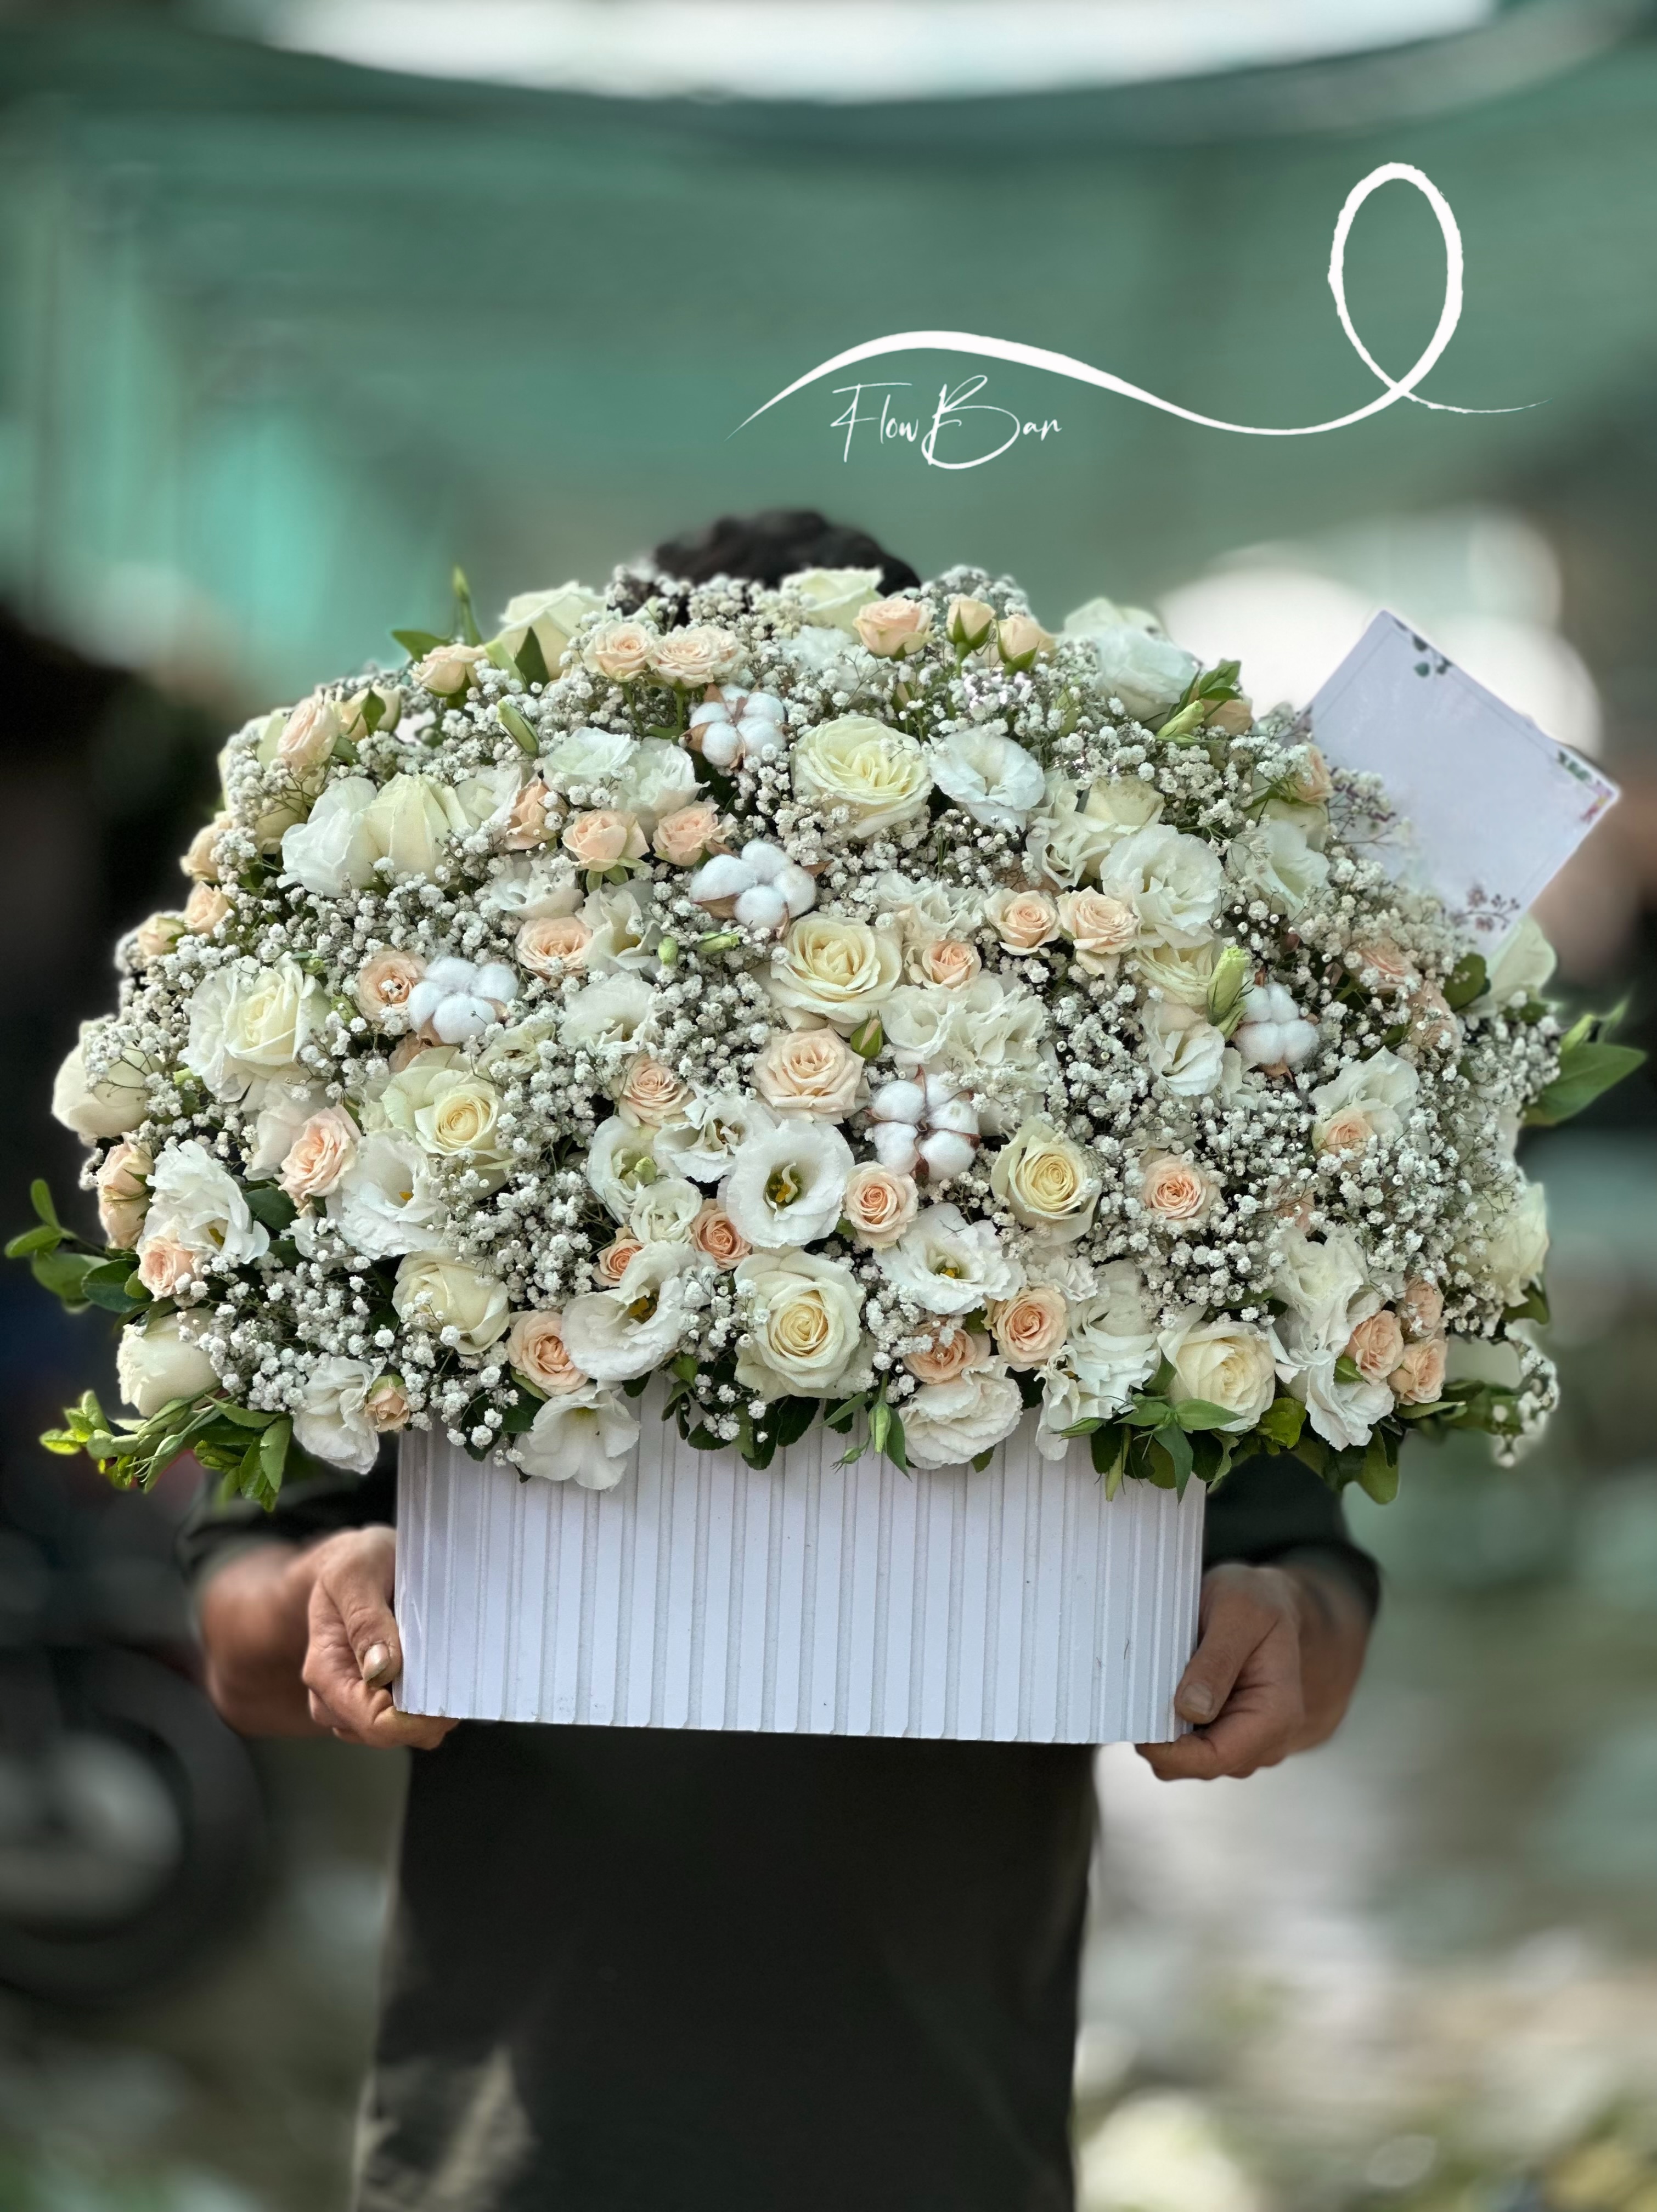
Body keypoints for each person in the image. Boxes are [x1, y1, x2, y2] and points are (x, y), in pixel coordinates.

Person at [188, 512, 1379, 2212]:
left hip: (941, 2142)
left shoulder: (1099, 1204)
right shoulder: (452, 1175)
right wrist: (330, 1599)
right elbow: (238, 1621)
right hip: (516, 2149)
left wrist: (1276, 1631)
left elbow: (1306, 1594)